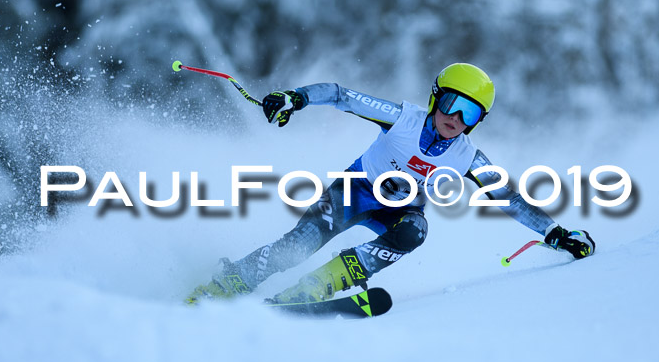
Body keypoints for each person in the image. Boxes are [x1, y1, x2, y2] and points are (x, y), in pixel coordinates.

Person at [186, 63, 595, 305]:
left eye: (469, 113)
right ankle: (223, 286)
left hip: (400, 212)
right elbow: (341, 95)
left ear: (476, 122)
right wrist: (296, 97)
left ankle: (319, 285)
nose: (455, 118)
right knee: (298, 245)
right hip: (353, 192)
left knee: (417, 229)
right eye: (451, 103)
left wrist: (556, 233)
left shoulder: (467, 156)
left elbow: (511, 198)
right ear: (436, 99)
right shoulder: (403, 117)